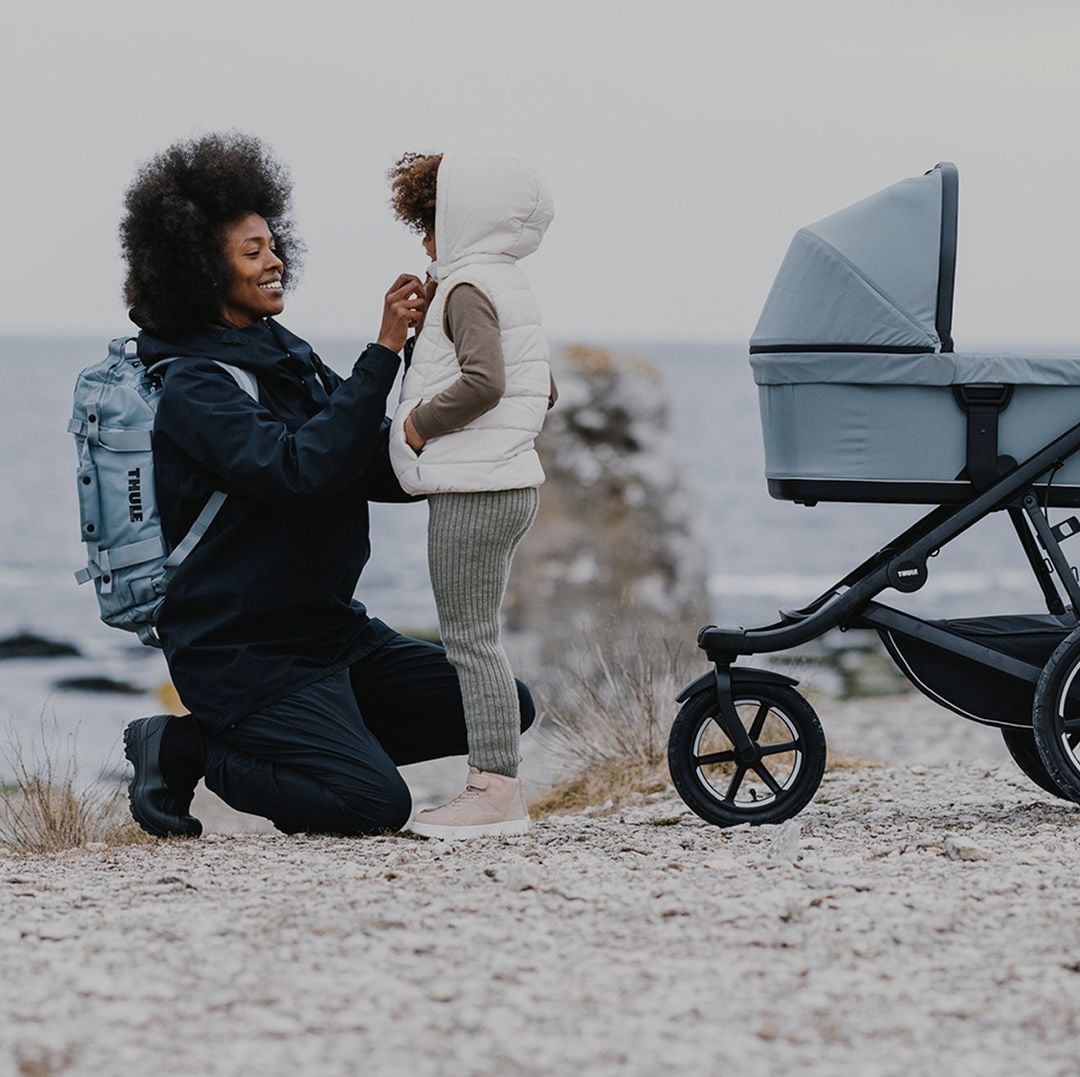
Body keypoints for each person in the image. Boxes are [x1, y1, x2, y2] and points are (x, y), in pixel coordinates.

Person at [118, 131, 536, 838]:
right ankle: (193, 747)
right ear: (195, 269)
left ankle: (324, 740)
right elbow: (298, 470)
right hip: (248, 654)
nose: (274, 259)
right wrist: (379, 352)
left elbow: (364, 462)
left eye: (273, 243)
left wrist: (440, 398)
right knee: (373, 805)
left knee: (502, 705)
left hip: (334, 634)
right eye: (252, 252)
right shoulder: (192, 385)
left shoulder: (281, 351)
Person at [386, 152, 556, 838]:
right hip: (510, 480)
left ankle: (494, 791)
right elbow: (540, 388)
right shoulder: (505, 283)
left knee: (470, 640)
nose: (426, 240)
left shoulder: (465, 288)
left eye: (430, 224)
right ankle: (497, 786)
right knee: (478, 636)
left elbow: (485, 383)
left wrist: (419, 424)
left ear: (458, 221)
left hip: (476, 489)